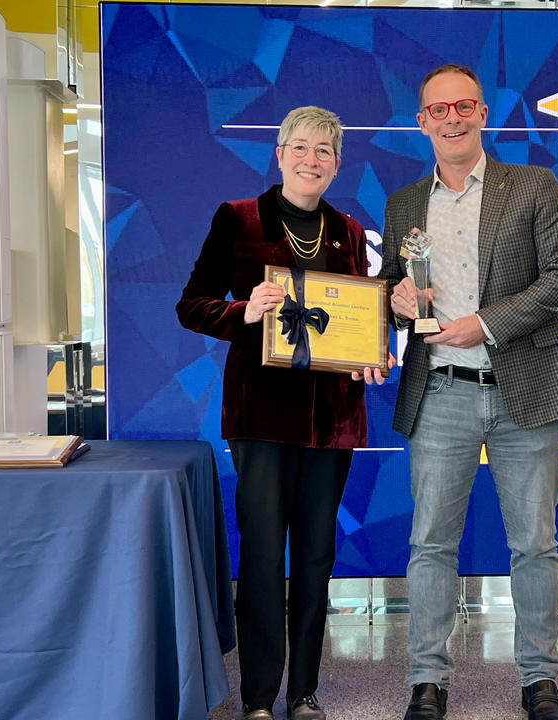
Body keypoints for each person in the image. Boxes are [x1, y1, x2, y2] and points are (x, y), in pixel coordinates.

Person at [371, 64, 558, 720]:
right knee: (431, 542)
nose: (453, 118)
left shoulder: (534, 186)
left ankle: (540, 678)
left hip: (523, 386)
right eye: (439, 110)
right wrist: (397, 300)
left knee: (535, 544)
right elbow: (388, 288)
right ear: (422, 122)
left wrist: (485, 324)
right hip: (439, 392)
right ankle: (427, 682)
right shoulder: (405, 203)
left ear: (483, 112)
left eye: (463, 105)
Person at [177, 106, 385, 720]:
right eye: (300, 146)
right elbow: (191, 305)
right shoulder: (237, 218)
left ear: (337, 163)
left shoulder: (348, 230)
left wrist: (366, 356)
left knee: (317, 553)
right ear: (279, 152)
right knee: (264, 554)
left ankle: (305, 691)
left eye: (324, 150)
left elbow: (357, 320)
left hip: (332, 418)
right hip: (261, 416)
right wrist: (243, 311)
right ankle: (261, 697)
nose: (311, 158)